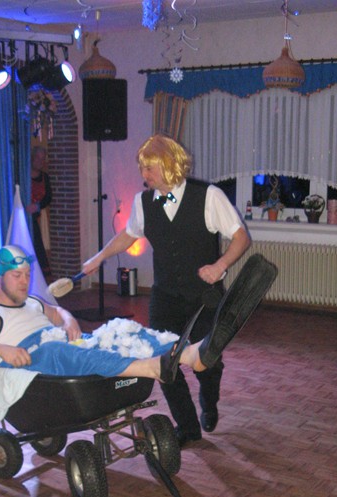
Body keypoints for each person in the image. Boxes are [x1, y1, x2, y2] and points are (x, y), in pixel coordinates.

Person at [82, 134, 251, 447]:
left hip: (204, 295)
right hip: (165, 295)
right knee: (164, 362)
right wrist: (99, 257)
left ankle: (209, 401)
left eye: (150, 168)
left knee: (207, 362)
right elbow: (128, 235)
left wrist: (220, 266)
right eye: (142, 168)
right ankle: (187, 427)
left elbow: (241, 237)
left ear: (170, 164)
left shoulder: (208, 196)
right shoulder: (143, 202)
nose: (144, 175)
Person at [0, 245, 277, 382]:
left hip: (63, 348)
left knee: (121, 330)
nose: (25, 281)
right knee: (56, 349)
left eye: (27, 275)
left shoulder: (33, 302)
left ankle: (191, 354)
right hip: (33, 359)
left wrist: (69, 320)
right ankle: (151, 368)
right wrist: (2, 350)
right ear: (0, 276)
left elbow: (58, 312)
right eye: (17, 276)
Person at [26, 146, 53, 282]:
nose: (40, 162)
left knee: (37, 243)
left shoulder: (44, 177)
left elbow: (48, 197)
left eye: (43, 159)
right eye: (38, 158)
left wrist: (36, 206)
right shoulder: (24, 176)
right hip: (24, 217)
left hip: (35, 217)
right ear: (32, 158)